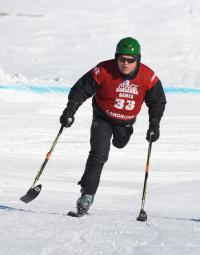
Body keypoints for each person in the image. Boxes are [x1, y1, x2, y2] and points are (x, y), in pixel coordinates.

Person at [60, 37, 166, 216]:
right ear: (116, 58)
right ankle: (87, 195)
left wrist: (154, 125)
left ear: (137, 60)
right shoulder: (103, 70)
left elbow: (157, 102)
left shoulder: (148, 76)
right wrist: (70, 111)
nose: (125, 63)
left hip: (125, 122)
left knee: (120, 143)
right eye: (122, 59)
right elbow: (80, 89)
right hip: (102, 117)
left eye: (131, 60)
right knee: (99, 154)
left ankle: (126, 132)